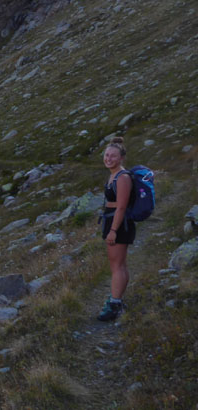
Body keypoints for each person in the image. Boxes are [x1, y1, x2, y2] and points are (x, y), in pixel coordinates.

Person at [97, 137, 135, 321]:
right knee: (119, 264)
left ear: (121, 158)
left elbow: (121, 206)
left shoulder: (123, 177)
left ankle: (115, 305)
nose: (108, 158)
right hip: (112, 221)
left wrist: (113, 230)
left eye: (113, 156)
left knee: (117, 266)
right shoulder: (113, 174)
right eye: (106, 155)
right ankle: (117, 300)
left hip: (118, 224)